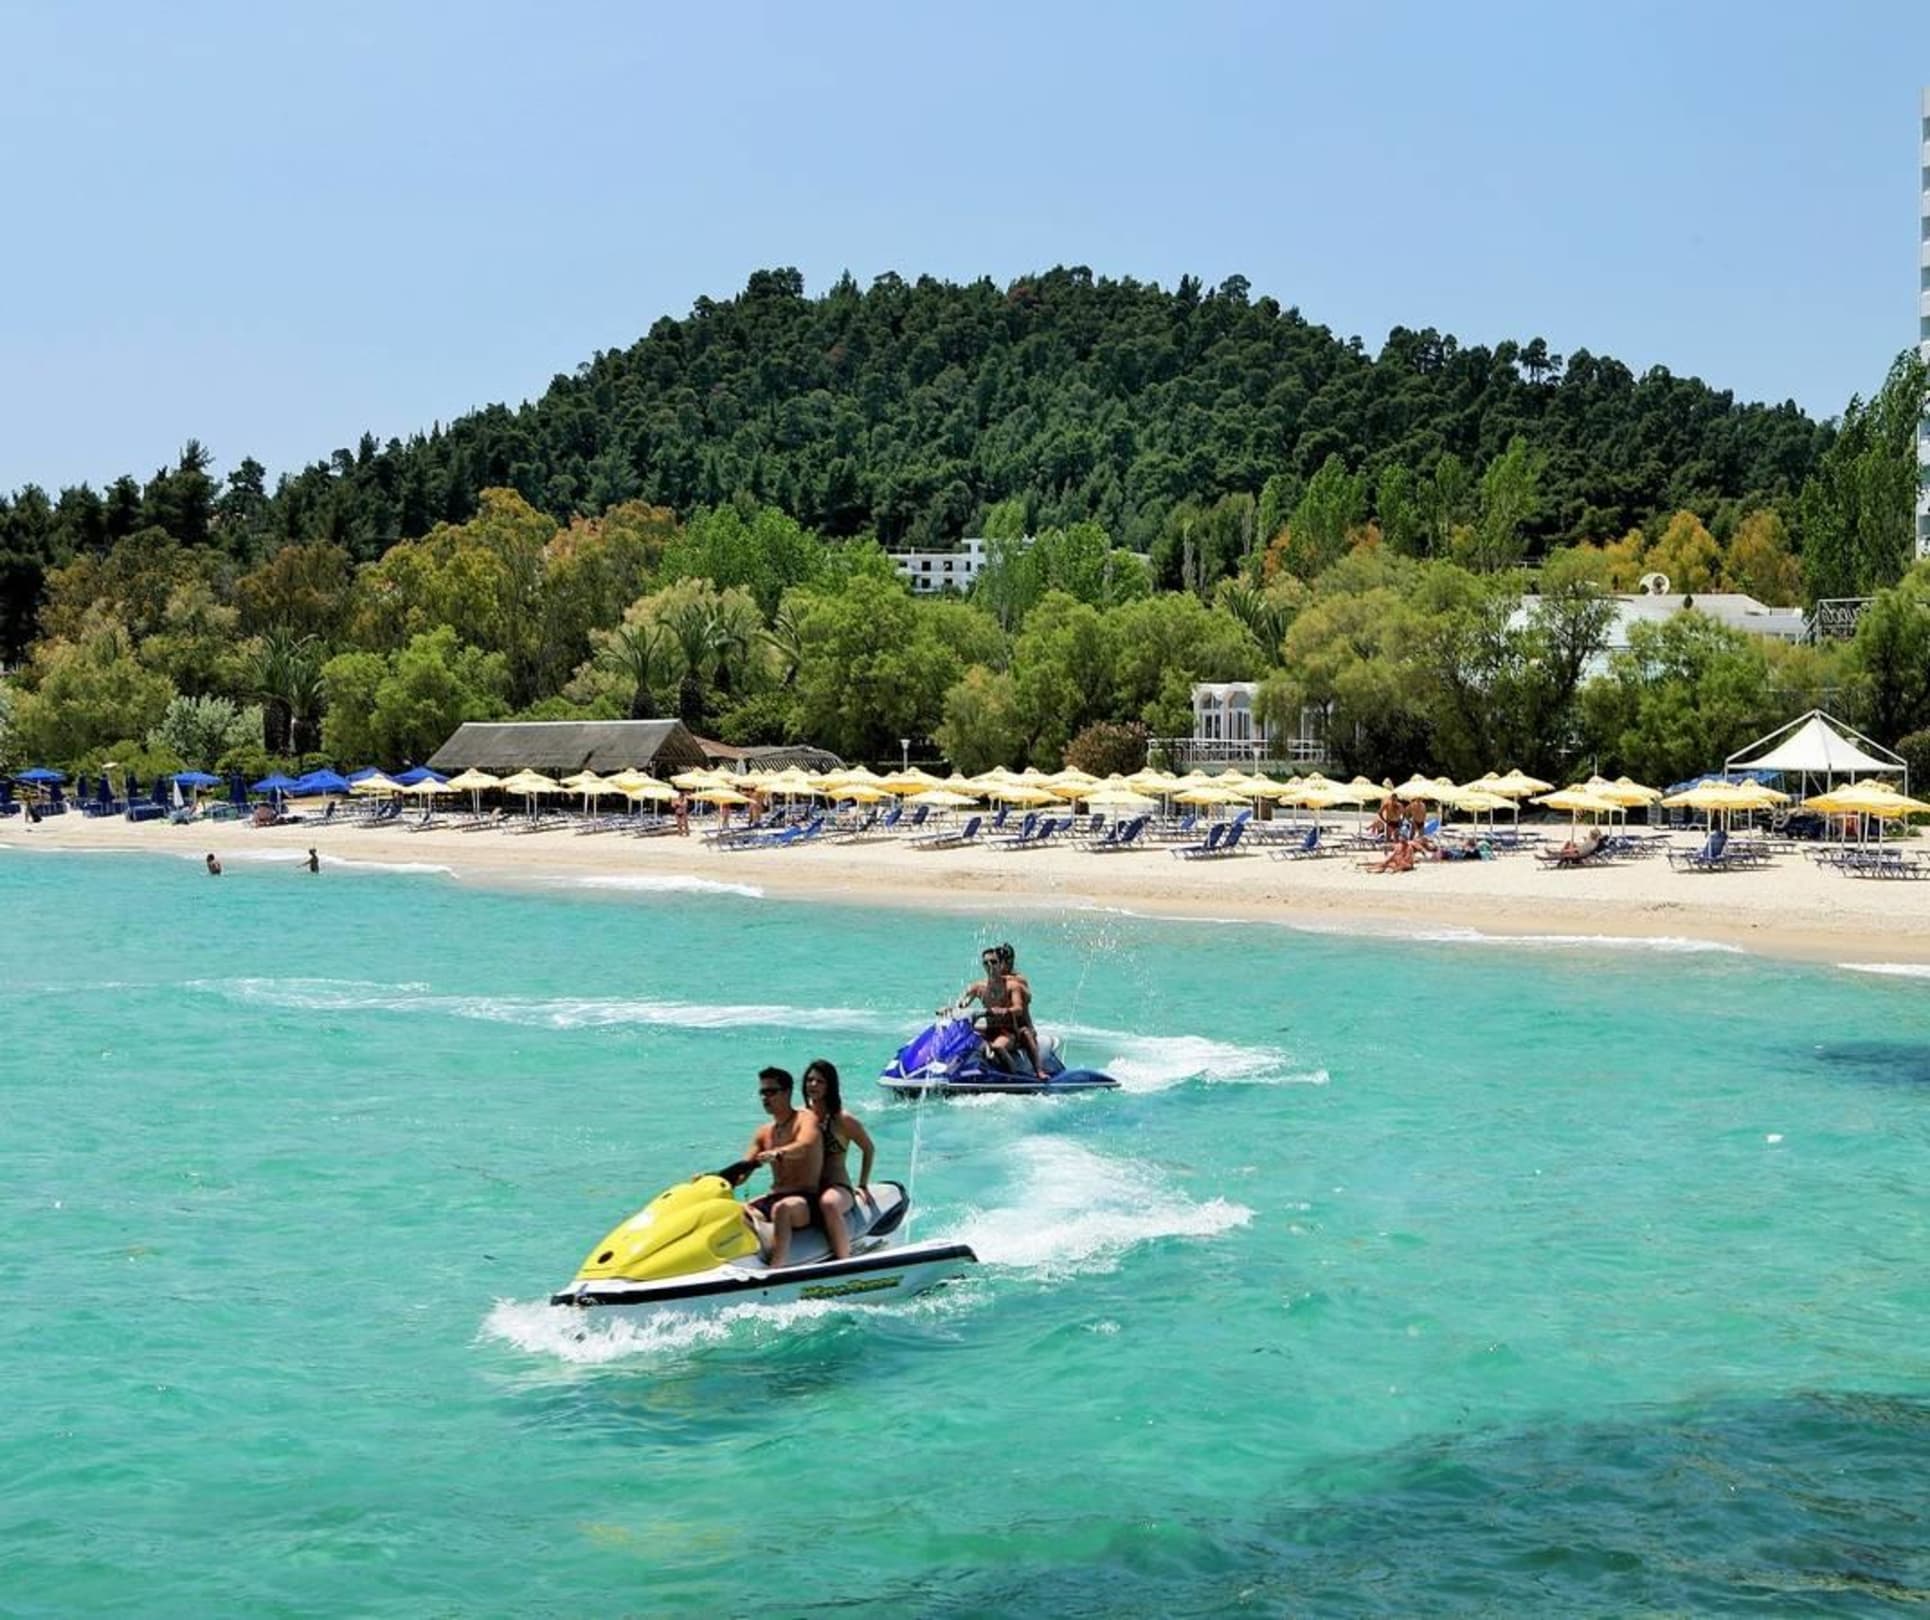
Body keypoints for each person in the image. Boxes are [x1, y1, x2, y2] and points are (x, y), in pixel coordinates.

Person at [741, 1066, 822, 1267]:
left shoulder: (805, 1119)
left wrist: (778, 1153)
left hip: (806, 1200)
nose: (765, 1098)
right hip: (775, 1196)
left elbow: (804, 1145)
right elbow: (743, 1171)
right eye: (762, 1092)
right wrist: (714, 1178)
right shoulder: (764, 1132)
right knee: (735, 1212)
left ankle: (777, 1270)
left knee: (782, 1209)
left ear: (787, 1093)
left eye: (771, 1092)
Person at [803, 1059, 876, 1261]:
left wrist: (863, 1184)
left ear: (830, 1086)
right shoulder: (800, 1117)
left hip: (837, 1187)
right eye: (809, 1080)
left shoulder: (843, 1119)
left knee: (828, 1204)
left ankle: (843, 1261)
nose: (813, 1085)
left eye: (820, 1081)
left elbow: (868, 1148)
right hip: (808, 1187)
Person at [959, 944, 1032, 1071]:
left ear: (1000, 963)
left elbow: (1020, 1007)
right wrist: (952, 1009)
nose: (990, 966)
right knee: (965, 1037)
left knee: (999, 1046)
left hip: (1008, 1029)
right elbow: (962, 1003)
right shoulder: (978, 986)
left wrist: (1004, 1010)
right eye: (986, 963)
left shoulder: (1014, 984)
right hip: (989, 1028)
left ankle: (1015, 1074)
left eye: (993, 962)